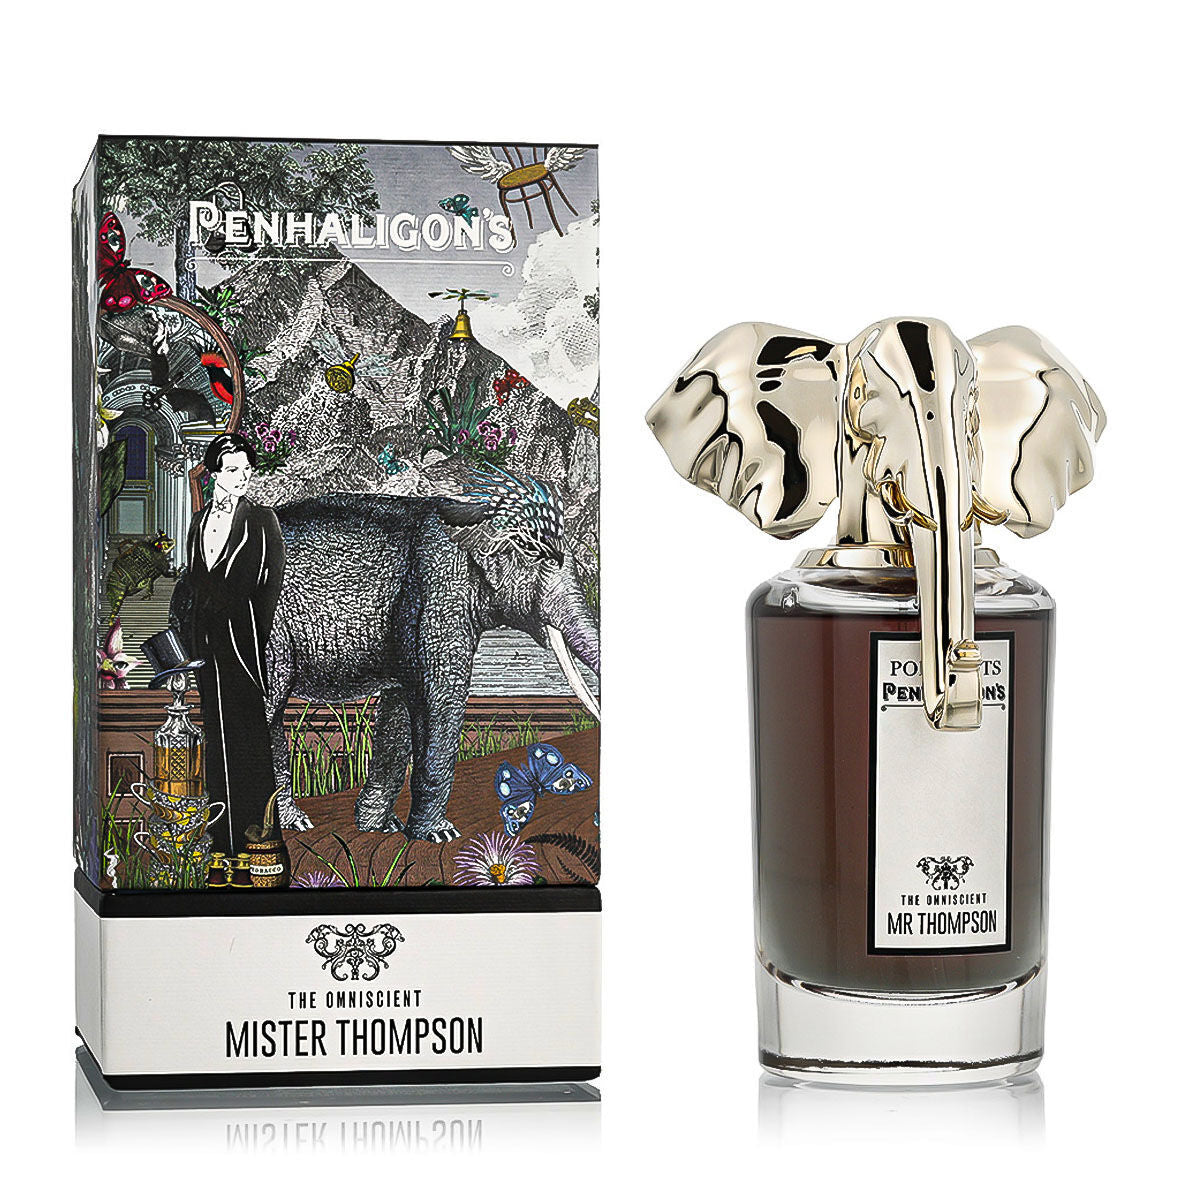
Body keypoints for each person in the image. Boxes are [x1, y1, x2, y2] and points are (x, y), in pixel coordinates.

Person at [170, 432, 285, 856]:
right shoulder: (198, 522)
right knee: (216, 735)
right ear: (214, 473)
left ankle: (261, 844)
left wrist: (251, 635)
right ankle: (222, 843)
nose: (243, 476)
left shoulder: (262, 520)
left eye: (246, 469)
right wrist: (192, 639)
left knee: (249, 738)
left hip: (242, 642)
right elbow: (194, 584)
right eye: (233, 469)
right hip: (205, 645)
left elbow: (270, 587)